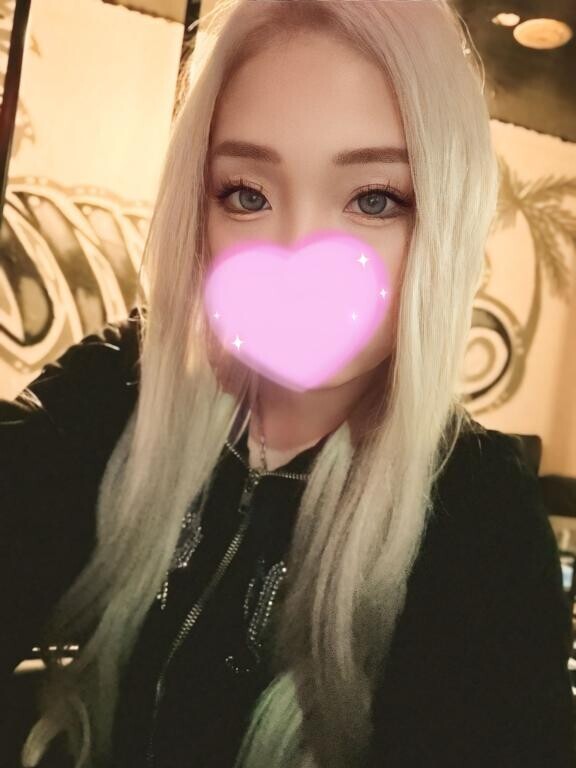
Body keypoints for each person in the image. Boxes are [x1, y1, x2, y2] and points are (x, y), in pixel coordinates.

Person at [0, 0, 573, 766]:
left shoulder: (478, 517)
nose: (298, 253)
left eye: (375, 199)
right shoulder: (124, 384)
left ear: (442, 222)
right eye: (247, 194)